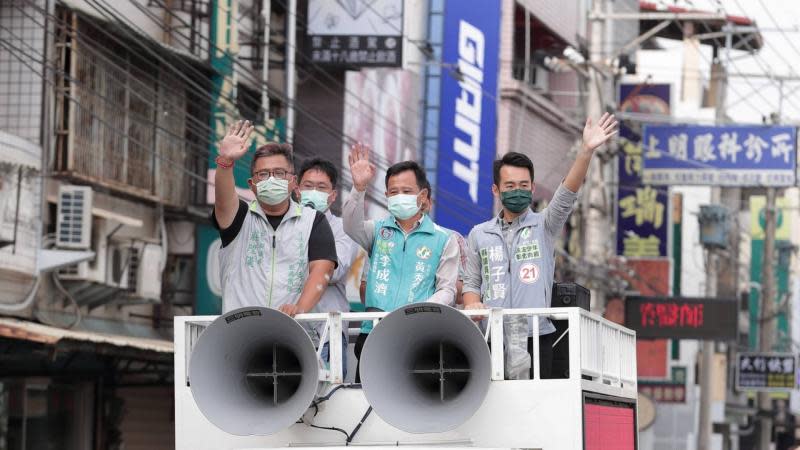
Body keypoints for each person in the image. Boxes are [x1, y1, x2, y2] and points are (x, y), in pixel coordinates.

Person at [462, 113, 618, 379]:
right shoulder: (479, 234)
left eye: (523, 185)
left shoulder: (544, 225)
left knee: (533, 411)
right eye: (510, 185)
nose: (517, 190)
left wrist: (586, 151)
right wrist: (474, 305)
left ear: (533, 188)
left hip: (537, 335)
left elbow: (567, 193)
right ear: (496, 190)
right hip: (489, 337)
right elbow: (471, 284)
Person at [343, 143, 460, 381]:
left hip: (418, 333)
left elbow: (447, 289)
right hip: (373, 331)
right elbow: (350, 225)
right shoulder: (376, 230)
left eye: (406, 191)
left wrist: (419, 312)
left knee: (410, 400)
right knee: (365, 400)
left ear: (423, 195)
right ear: (386, 196)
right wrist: (358, 187)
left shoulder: (444, 238)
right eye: (393, 192)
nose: (399, 197)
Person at [211, 120, 338, 316]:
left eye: (280, 173)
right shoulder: (239, 217)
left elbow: (322, 272)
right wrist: (225, 161)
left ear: (293, 182)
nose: (271, 179)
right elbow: (223, 199)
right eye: (263, 174)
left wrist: (299, 308)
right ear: (252, 184)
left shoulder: (313, 221)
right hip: (240, 332)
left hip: (291, 329)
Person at [297, 157, 358, 375]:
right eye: (308, 186)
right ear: (297, 190)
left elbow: (335, 269)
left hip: (327, 333)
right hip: (289, 330)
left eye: (321, 187)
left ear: (332, 196)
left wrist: (295, 262)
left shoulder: (342, 228)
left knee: (329, 403)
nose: (313, 191)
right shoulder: (285, 225)